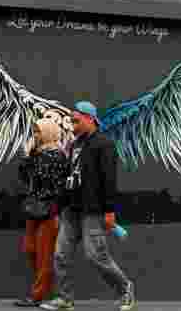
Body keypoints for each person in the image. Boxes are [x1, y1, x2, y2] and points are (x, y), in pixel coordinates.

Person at [41, 101, 136, 311]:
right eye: (71, 119)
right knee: (60, 255)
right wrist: (59, 208)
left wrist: (109, 211)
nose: (72, 122)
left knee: (95, 256)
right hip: (70, 211)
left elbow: (109, 180)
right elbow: (68, 178)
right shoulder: (74, 145)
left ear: (90, 118)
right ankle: (65, 299)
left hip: (92, 211)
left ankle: (125, 288)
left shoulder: (104, 144)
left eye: (76, 119)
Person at [15, 118, 71, 307]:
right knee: (30, 249)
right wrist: (28, 156)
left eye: (38, 132)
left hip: (49, 210)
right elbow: (24, 177)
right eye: (35, 131)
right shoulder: (37, 154)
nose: (35, 135)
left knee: (44, 255)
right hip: (34, 209)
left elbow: (49, 180)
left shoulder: (57, 155)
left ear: (48, 132)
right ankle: (42, 287)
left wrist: (34, 158)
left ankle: (38, 295)